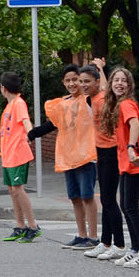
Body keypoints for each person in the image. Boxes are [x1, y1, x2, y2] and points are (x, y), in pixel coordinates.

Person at [30, 64, 100, 248]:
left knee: (87, 196)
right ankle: (81, 234)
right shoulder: (61, 103)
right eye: (68, 80)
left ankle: (93, 236)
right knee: (75, 197)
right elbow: (51, 125)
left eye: (75, 79)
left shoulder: (89, 100)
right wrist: (31, 134)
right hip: (68, 156)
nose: (72, 83)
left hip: (86, 155)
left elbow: (104, 95)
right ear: (63, 82)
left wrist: (100, 70)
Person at [105, 66, 139, 266]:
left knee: (131, 208)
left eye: (123, 80)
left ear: (129, 85)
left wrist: (132, 146)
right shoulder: (125, 104)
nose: (119, 83)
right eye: (116, 80)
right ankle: (135, 249)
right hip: (126, 162)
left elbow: (135, 125)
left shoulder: (126, 104)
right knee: (126, 207)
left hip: (133, 161)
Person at [87, 58, 127, 257]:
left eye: (87, 81)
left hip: (112, 151)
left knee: (109, 199)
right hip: (101, 151)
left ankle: (118, 245)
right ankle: (105, 241)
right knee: (105, 198)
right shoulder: (95, 98)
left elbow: (105, 86)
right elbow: (105, 84)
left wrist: (101, 70)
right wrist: (101, 68)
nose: (83, 85)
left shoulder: (103, 99)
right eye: (81, 81)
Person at [0, 72, 40, 242]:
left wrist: (31, 134)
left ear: (3, 88)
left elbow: (25, 121)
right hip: (7, 154)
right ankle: (20, 225)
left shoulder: (19, 103)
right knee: (12, 190)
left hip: (17, 153)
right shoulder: (9, 106)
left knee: (18, 189)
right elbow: (7, 127)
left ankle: (33, 226)